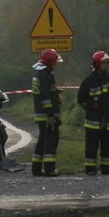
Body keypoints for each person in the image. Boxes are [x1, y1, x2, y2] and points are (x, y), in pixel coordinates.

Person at [78, 51, 109, 175]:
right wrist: (91, 110)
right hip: (93, 121)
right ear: (97, 64)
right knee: (91, 146)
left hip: (108, 119)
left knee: (107, 146)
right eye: (104, 63)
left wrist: (108, 108)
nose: (107, 65)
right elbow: (81, 100)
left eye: (107, 63)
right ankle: (90, 169)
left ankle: (107, 168)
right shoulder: (88, 81)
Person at [31, 49, 63, 177]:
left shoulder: (40, 74)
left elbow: (43, 93)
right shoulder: (45, 76)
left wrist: (54, 91)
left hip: (40, 113)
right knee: (50, 141)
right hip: (47, 115)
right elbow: (45, 98)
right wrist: (51, 115)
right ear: (49, 62)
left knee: (42, 140)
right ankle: (50, 169)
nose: (56, 64)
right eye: (55, 62)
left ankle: (36, 169)